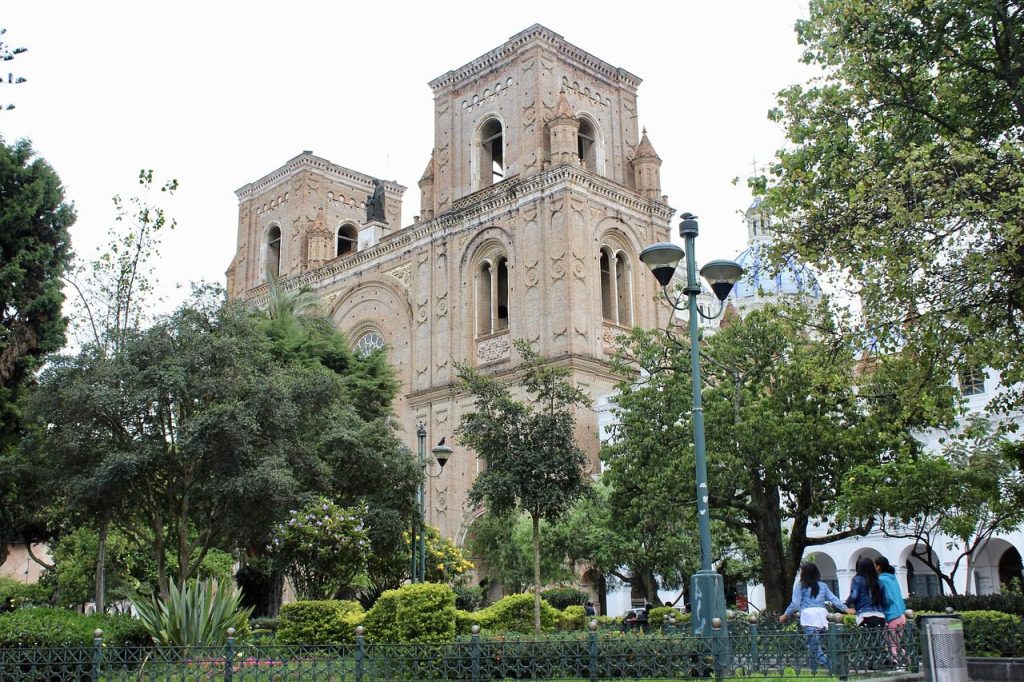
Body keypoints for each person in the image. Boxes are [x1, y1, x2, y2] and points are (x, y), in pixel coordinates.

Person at [779, 562, 846, 674]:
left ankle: (835, 668)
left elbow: (795, 604)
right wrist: (845, 608)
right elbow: (834, 599)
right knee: (813, 646)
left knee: (815, 648)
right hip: (823, 617)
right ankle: (813, 671)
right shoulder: (823, 585)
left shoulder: (800, 585)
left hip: (809, 618)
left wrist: (785, 615)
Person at [875, 556, 908, 668]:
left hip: (891, 615)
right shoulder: (893, 578)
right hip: (901, 614)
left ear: (878, 566)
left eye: (875, 565)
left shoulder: (882, 580)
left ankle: (897, 664)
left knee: (891, 643)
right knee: (896, 642)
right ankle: (909, 660)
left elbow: (887, 598)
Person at [846, 556, 886, 628]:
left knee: (867, 638)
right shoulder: (878, 581)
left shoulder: (858, 579)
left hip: (865, 615)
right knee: (878, 638)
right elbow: (883, 599)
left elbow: (854, 596)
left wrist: (845, 605)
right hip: (880, 616)